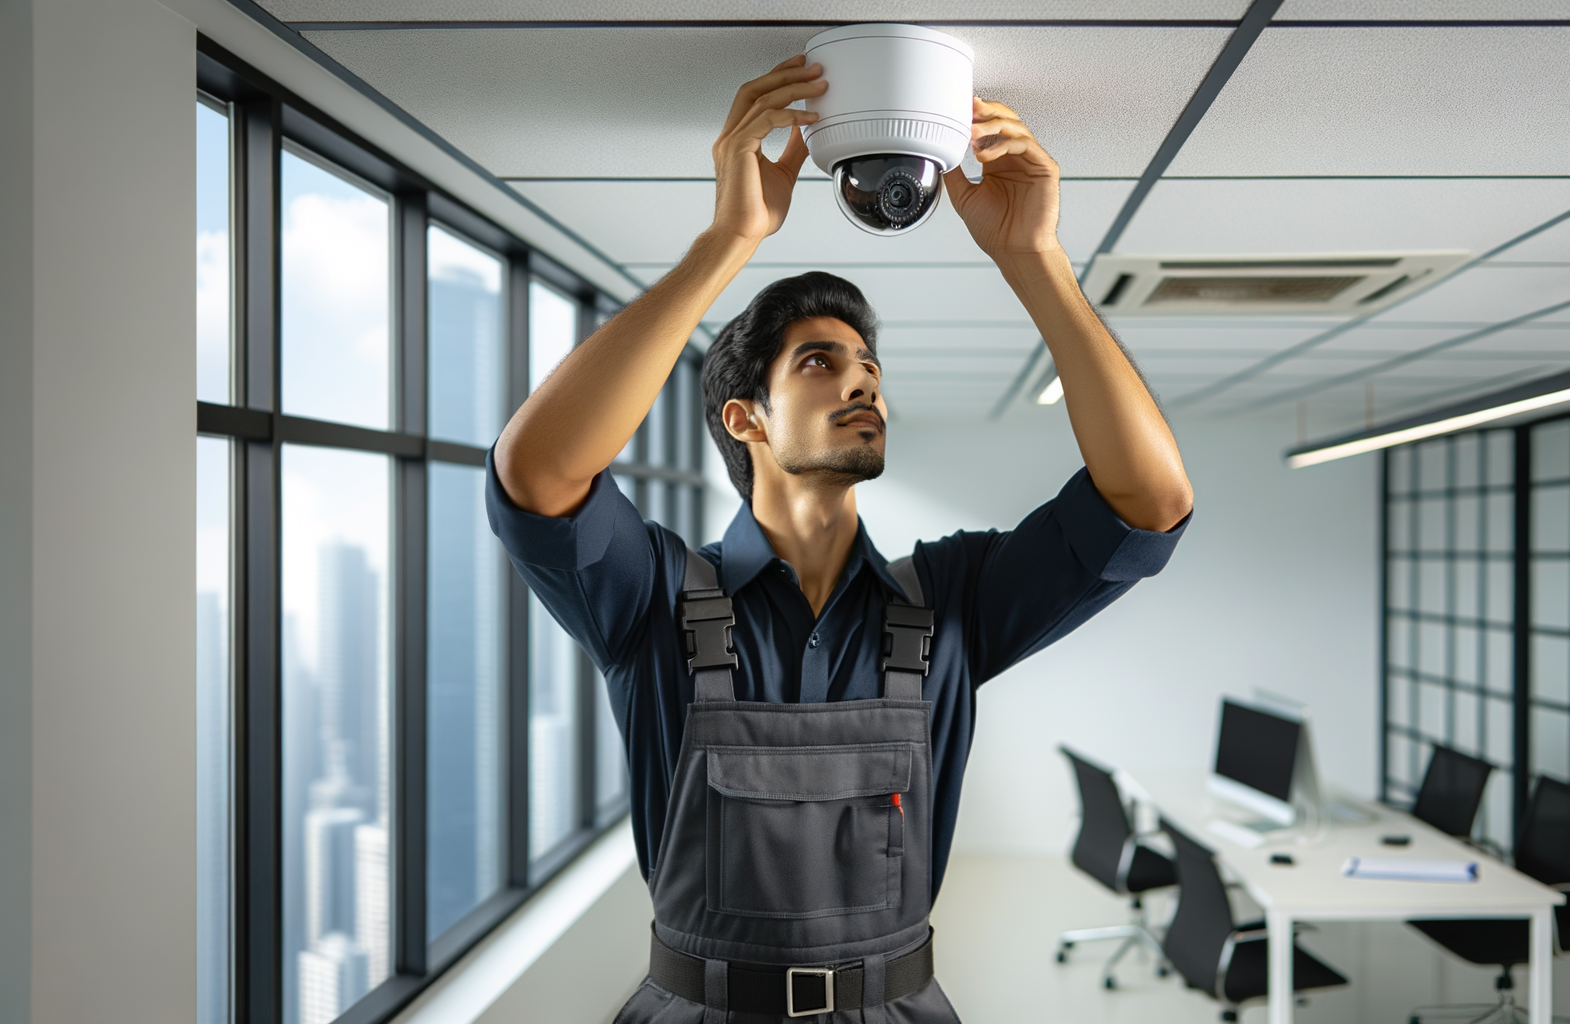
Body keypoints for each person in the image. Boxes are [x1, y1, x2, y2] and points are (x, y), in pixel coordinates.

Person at [488, 54, 1193, 1023]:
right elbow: (537, 475)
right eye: (820, 362)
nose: (863, 381)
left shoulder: (949, 605)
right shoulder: (652, 599)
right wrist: (727, 239)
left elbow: (1147, 502)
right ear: (745, 419)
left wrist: (1038, 261)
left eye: (867, 364)